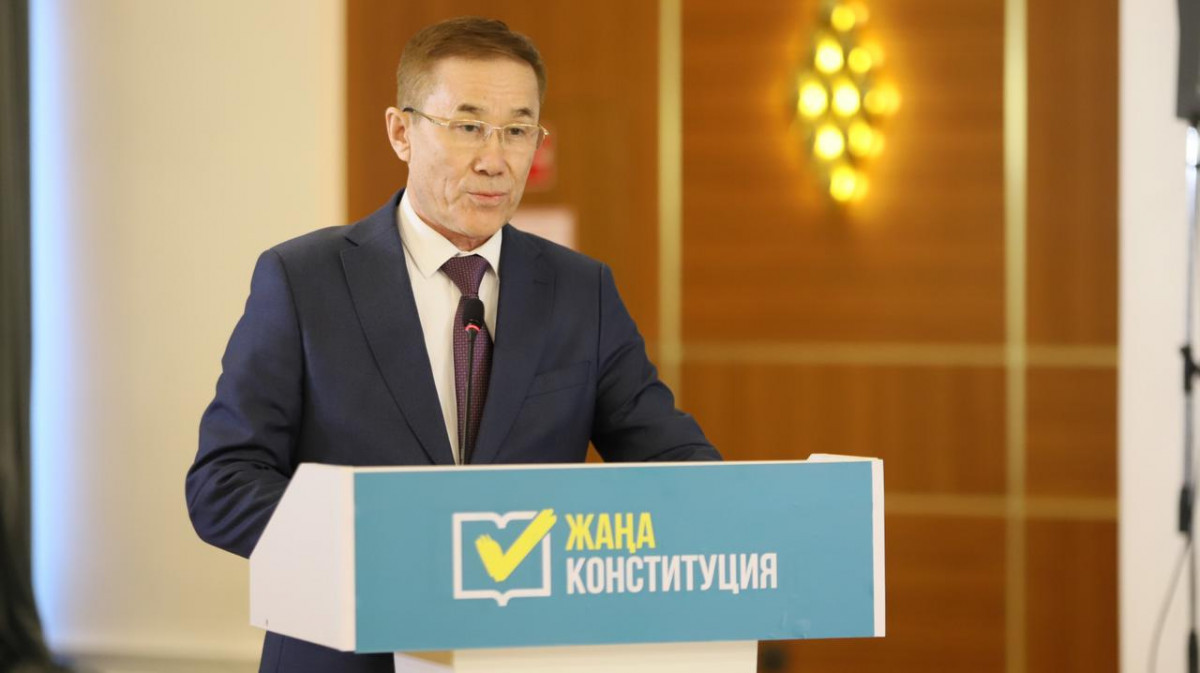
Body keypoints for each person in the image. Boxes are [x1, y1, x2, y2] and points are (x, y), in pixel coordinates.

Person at [185, 16, 719, 673]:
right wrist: (384, 553)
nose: (495, 159)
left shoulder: (582, 292)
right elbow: (223, 482)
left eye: (518, 130)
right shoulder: (303, 281)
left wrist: (750, 518)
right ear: (401, 132)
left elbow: (674, 462)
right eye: (468, 127)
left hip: (522, 654)